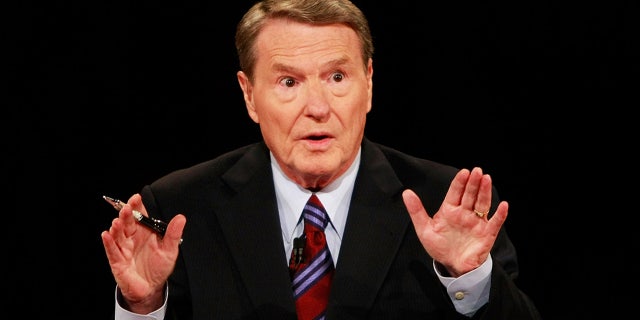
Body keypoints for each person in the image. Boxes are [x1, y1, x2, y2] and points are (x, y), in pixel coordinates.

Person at [100, 0, 542, 319]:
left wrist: (467, 277)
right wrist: (142, 307)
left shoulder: (446, 203)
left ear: (368, 84)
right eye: (289, 82)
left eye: (336, 77)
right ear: (249, 95)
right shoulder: (180, 208)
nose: (317, 107)